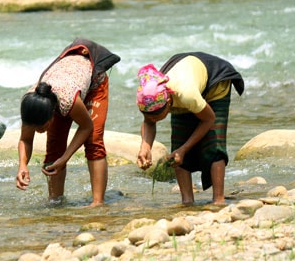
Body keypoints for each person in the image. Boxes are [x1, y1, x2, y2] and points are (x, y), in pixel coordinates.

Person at [16, 38, 121, 207]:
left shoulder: (68, 101)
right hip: (63, 83)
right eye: (35, 129)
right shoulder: (32, 104)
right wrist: (22, 165)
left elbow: (87, 127)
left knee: (94, 141)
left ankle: (98, 203)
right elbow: (25, 139)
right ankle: (55, 202)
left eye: (42, 128)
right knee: (54, 149)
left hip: (94, 82)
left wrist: (65, 158)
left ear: (52, 115)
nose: (39, 132)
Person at [136, 52, 244, 206]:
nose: (153, 119)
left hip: (215, 83)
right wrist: (145, 147)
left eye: (157, 116)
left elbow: (209, 119)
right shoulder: (149, 96)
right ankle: (187, 202)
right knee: (177, 147)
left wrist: (185, 149)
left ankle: (218, 200)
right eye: (149, 116)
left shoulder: (186, 94)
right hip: (190, 77)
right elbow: (149, 122)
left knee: (214, 145)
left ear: (168, 102)